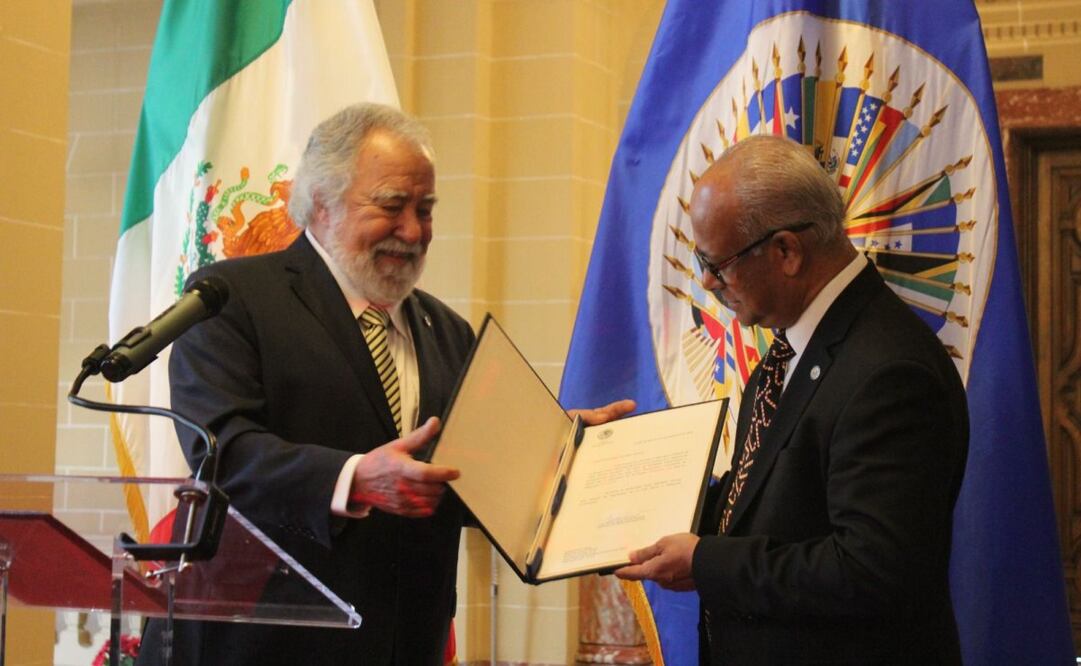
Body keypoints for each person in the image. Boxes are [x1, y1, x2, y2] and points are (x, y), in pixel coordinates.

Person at [135, 102, 631, 665]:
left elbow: (469, 481)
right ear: (320, 203)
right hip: (261, 641)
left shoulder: (447, 332)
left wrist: (557, 453)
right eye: (393, 206)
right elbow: (221, 451)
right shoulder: (232, 298)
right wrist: (354, 478)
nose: (414, 230)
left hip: (402, 642)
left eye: (426, 209)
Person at [615, 134, 969, 664]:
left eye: (719, 262)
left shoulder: (889, 371)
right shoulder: (789, 352)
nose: (708, 281)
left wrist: (707, 563)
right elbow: (765, 507)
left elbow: (868, 571)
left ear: (786, 251)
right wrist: (640, 503)